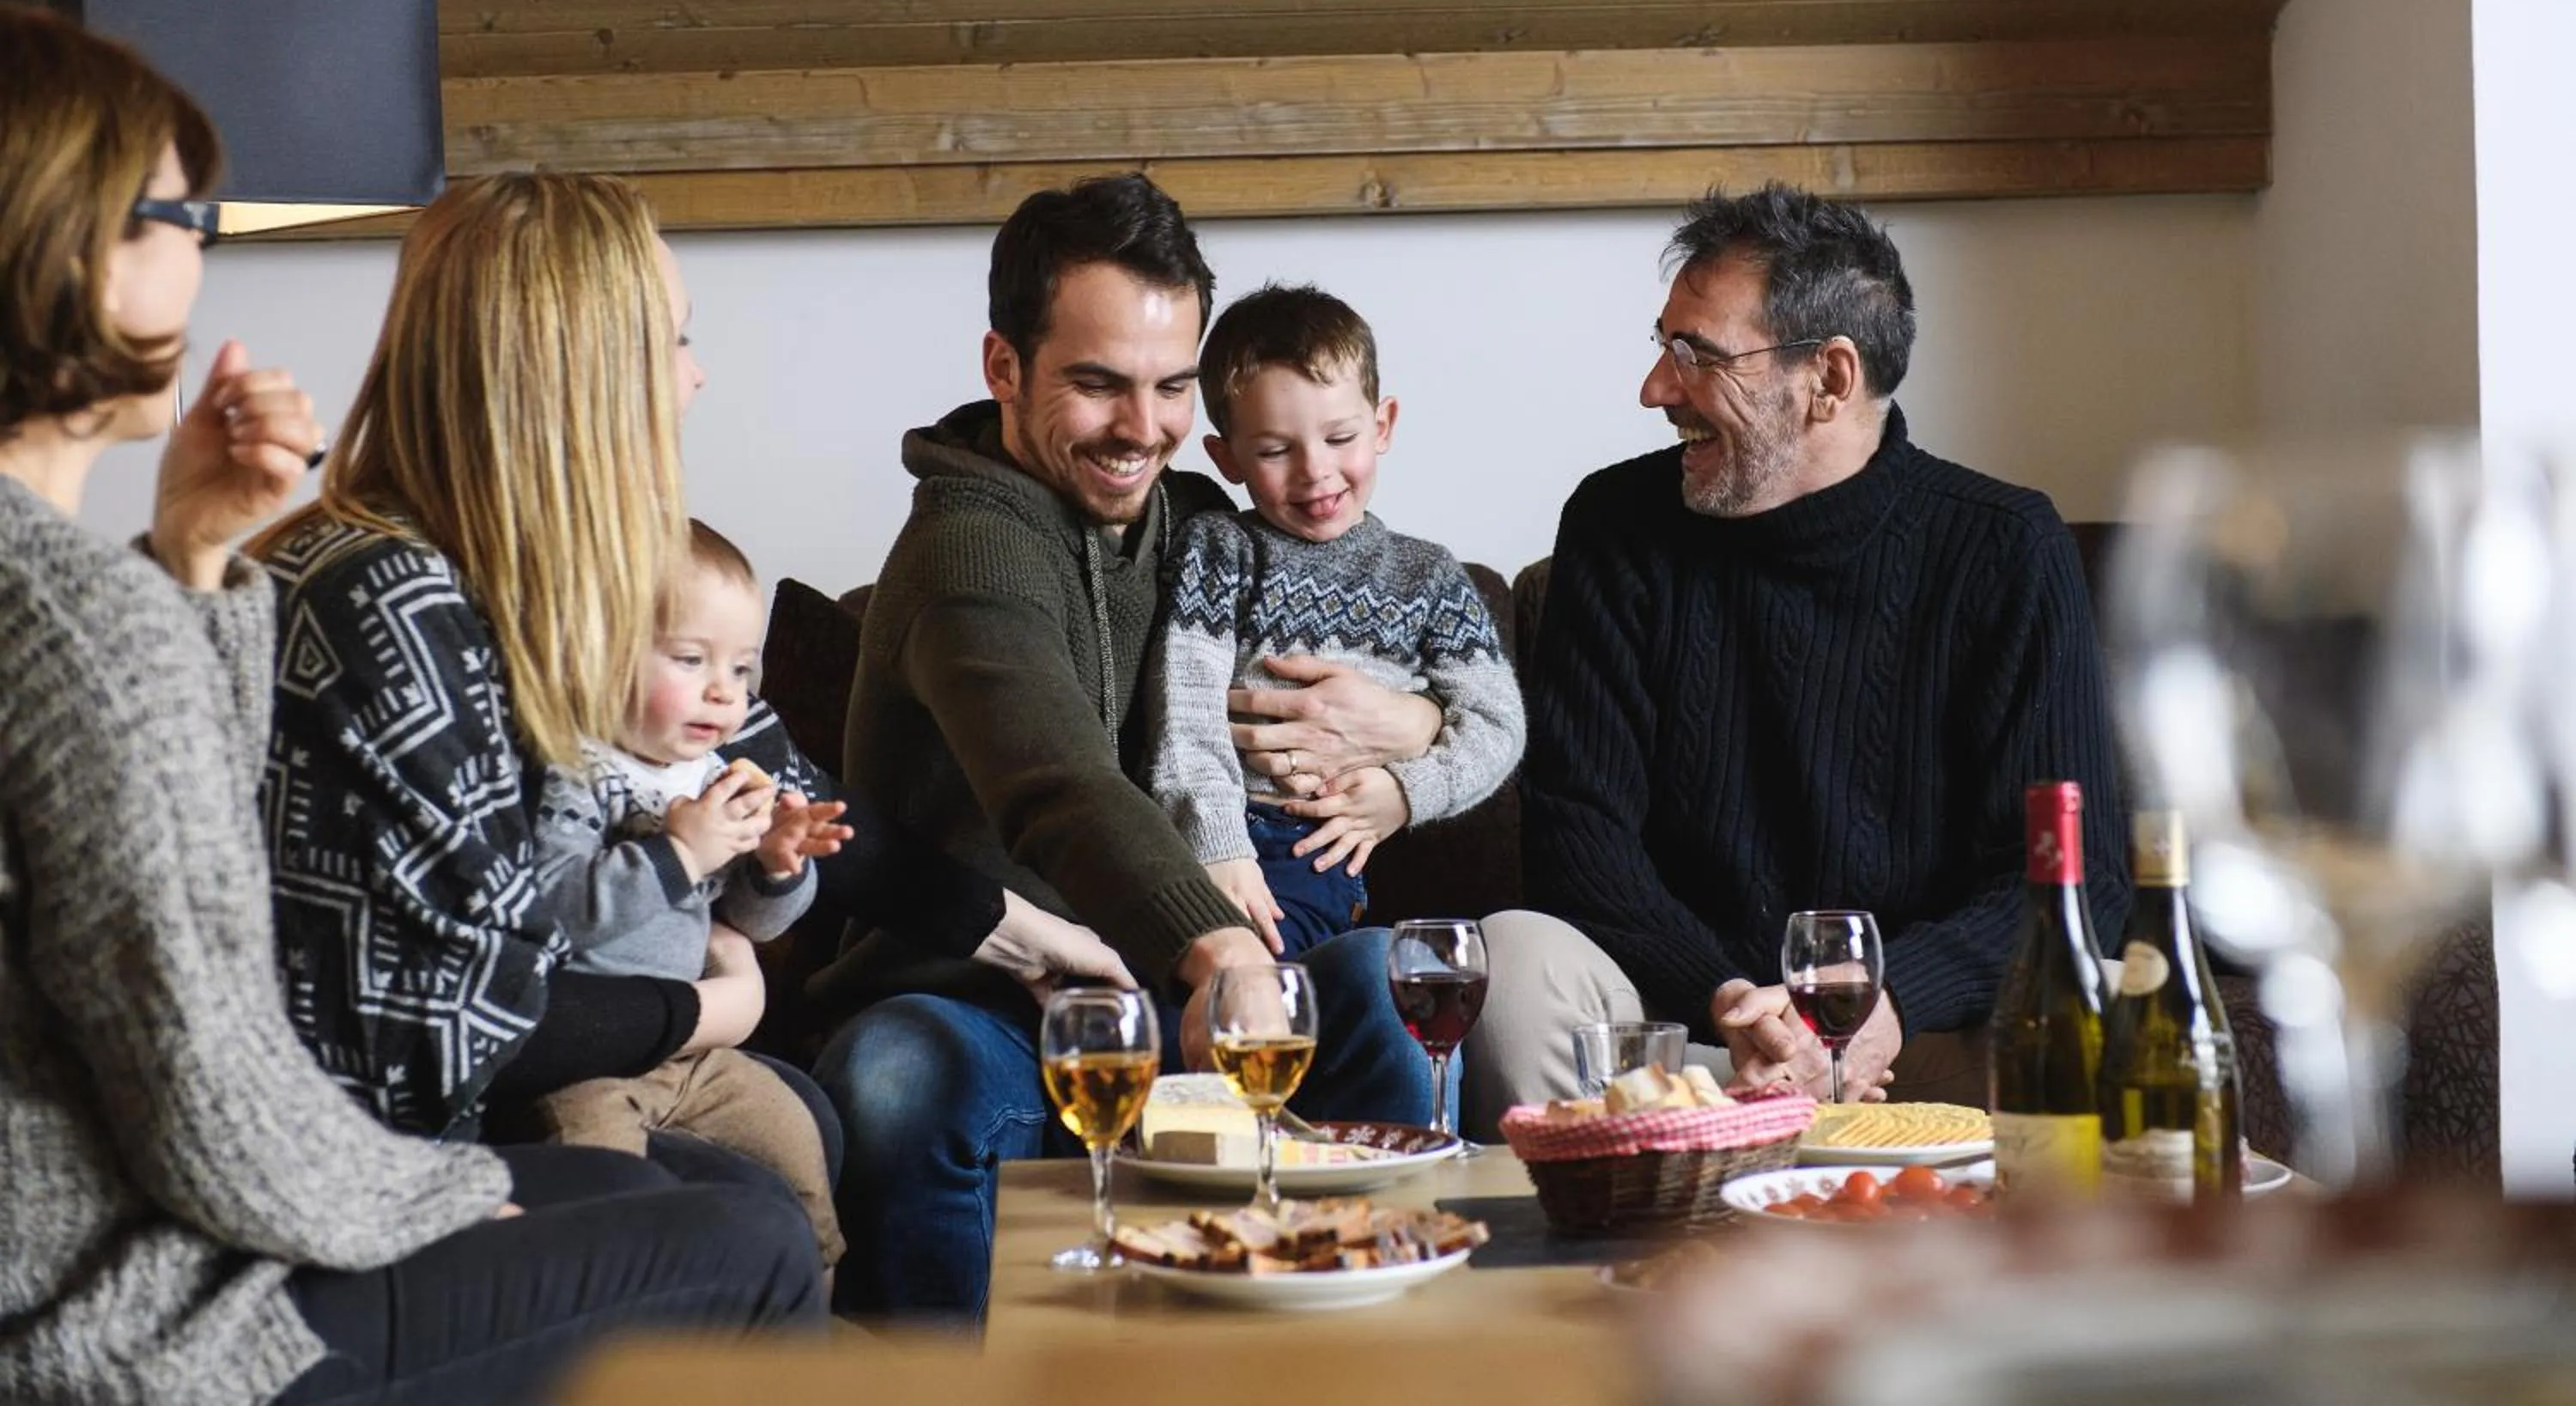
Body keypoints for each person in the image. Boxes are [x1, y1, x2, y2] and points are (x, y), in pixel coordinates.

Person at [0, 3, 817, 1406]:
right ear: (64, 246)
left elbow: (162, 862)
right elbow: (221, 1070)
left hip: (143, 1235)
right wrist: (415, 1198)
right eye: (175, 219)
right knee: (746, 1240)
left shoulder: (74, 590)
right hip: (135, 1307)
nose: (201, 253)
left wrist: (194, 561)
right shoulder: (160, 614)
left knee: (725, 1191)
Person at [253, 171, 1133, 1172]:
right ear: (584, 369)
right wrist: (715, 1004)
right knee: (754, 1189)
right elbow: (450, 1010)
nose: (697, 376)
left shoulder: (590, 572)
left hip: (568, 1042)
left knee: (803, 1120)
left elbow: (803, 806)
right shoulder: (403, 604)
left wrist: (1025, 935)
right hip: (407, 1129)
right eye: (677, 338)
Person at [821, 174, 1444, 1318]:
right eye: (1099, 384)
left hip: (1179, 997)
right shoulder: (969, 554)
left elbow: (1392, 637)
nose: (1143, 428)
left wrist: (1412, 729)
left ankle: (1392, 1356)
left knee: (1375, 981)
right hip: (998, 1007)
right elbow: (1059, 786)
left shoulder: (1199, 526)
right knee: (895, 1073)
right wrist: (1225, 957)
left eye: (1170, 387)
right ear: (1003, 367)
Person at [1461, 183, 2129, 1135]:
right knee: (1517, 960)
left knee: (2098, 999)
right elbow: (1578, 843)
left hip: (1920, 1037)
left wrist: (1883, 1007)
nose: (1656, 387)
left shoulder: (2004, 547)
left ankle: (2017, 1272)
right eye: (1664, 344)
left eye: (1696, 355)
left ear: (1831, 377)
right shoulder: (1616, 526)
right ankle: (1634, 1232)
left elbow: (2078, 876)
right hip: (1692, 1043)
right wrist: (1738, 1002)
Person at [1142, 283, 1524, 955]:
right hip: (1203, 833)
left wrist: (1404, 793)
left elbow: (1497, 725)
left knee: (1256, 971)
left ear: (1382, 426)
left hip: (1313, 841)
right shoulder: (1220, 549)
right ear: (1225, 457)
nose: (1315, 471)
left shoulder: (1427, 577)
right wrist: (1218, 845)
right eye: (1273, 451)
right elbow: (1186, 712)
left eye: (1340, 436)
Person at [530, 520, 855, 1269]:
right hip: (586, 1063)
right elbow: (560, 909)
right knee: (604, 1201)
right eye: (690, 659)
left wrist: (776, 865)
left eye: (743, 671)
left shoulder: (711, 774)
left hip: (691, 1055)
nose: (723, 692)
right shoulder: (578, 772)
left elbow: (750, 924)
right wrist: (679, 853)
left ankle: (817, 1322)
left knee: (798, 1144)